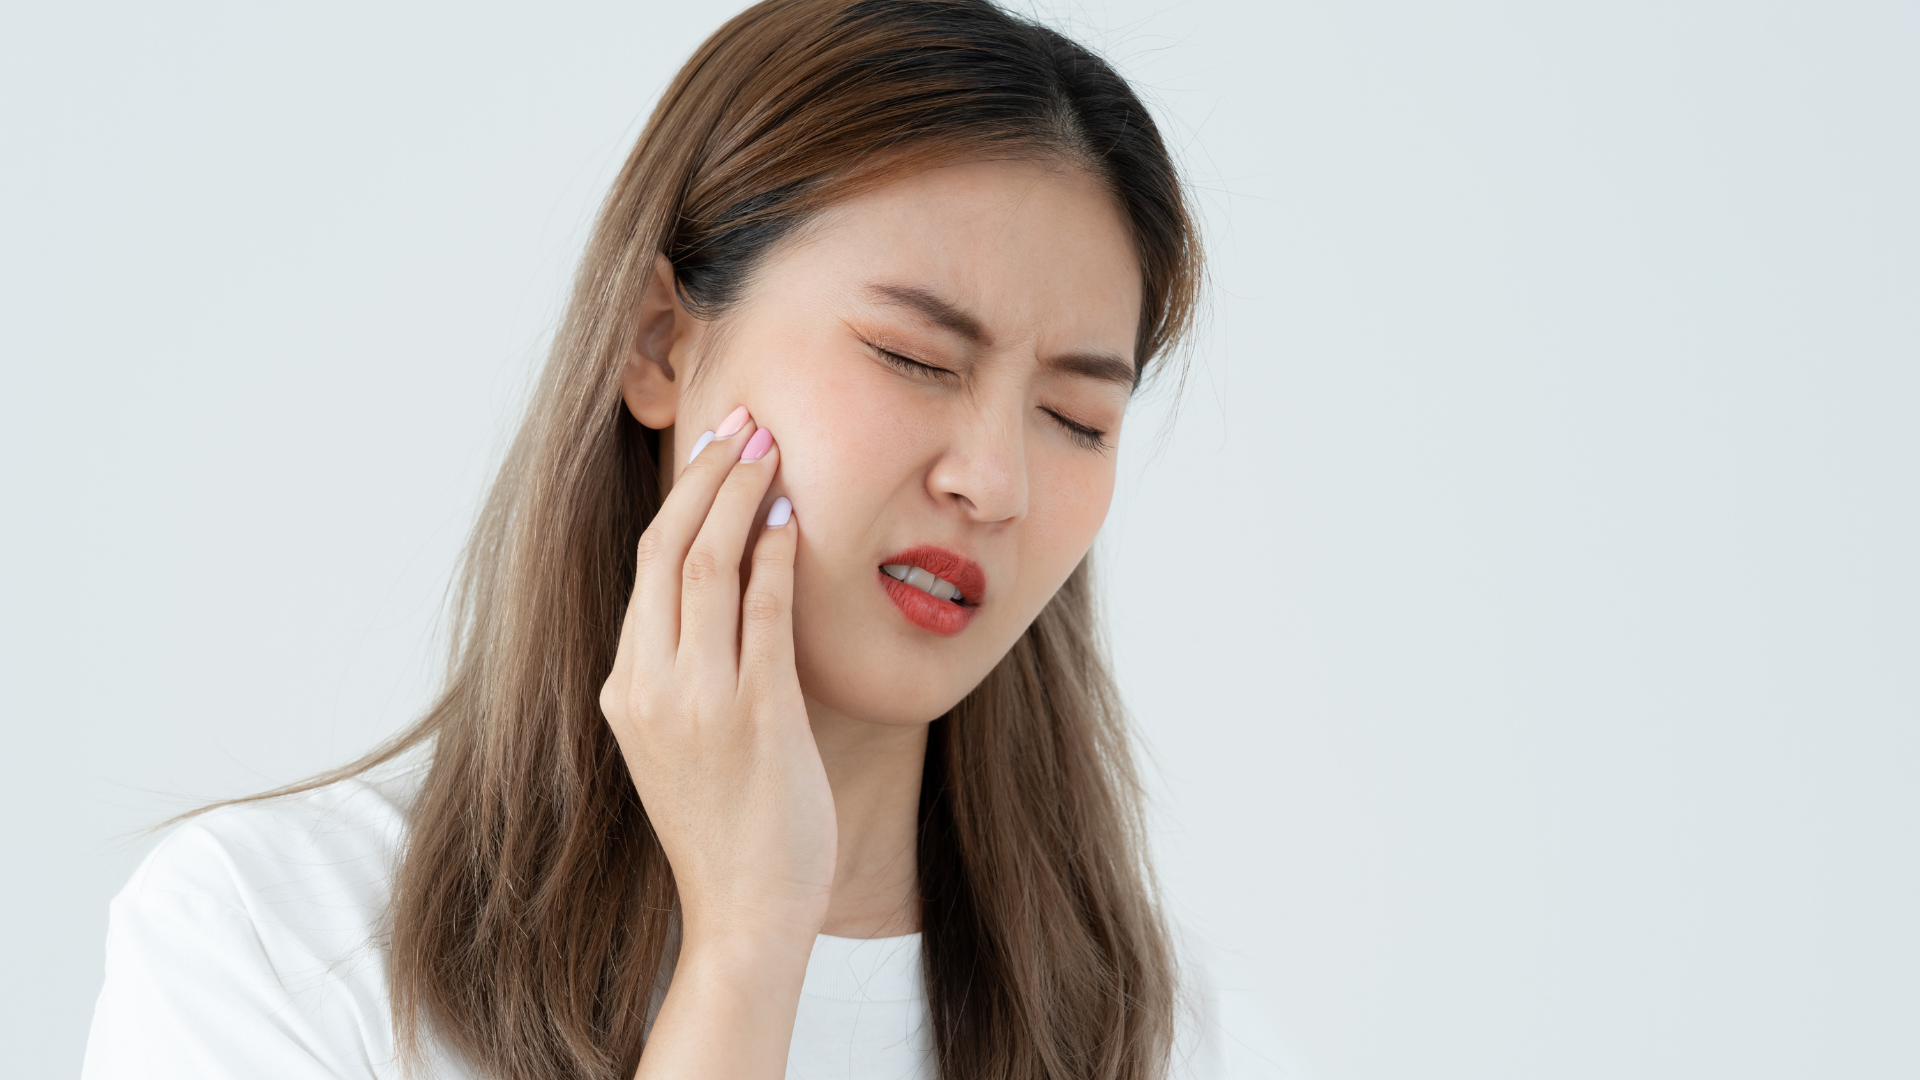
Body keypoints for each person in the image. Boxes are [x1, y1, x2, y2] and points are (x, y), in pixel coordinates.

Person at [82, 1, 1293, 1077]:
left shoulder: (1170, 1040)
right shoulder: (277, 942)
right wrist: (745, 949)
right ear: (659, 343)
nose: (994, 482)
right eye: (914, 358)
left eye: (1077, 419)